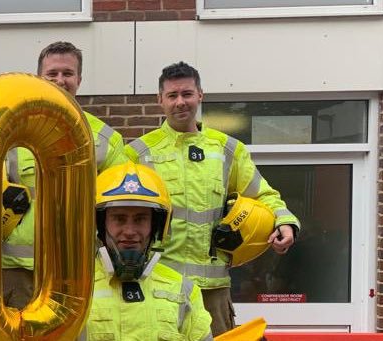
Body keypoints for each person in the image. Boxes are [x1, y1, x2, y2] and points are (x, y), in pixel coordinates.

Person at [125, 61, 300, 336]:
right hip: (158, 284)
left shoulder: (227, 150)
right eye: (172, 95)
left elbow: (263, 194)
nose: (180, 102)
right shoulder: (138, 153)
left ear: (200, 95)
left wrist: (284, 222)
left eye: (187, 94)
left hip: (213, 292)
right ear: (160, 100)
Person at [1, 41, 129, 308]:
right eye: (52, 73)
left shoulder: (105, 139)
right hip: (18, 272)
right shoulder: (13, 131)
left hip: (77, 270)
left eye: (68, 73)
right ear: (39, 78)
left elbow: (121, 205)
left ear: (79, 79)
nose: (60, 80)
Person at [85, 162, 212, 341]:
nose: (130, 231)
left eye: (140, 219)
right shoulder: (75, 291)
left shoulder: (184, 292)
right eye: (119, 219)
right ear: (99, 223)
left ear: (156, 226)